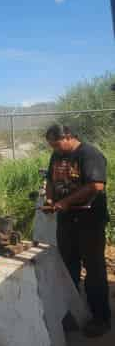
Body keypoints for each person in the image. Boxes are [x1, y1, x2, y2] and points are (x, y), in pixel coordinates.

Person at [45, 124, 111, 337]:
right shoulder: (56, 155)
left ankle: (100, 319)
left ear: (68, 137)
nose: (54, 148)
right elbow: (49, 179)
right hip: (66, 221)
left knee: (94, 270)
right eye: (51, 145)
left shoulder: (89, 154)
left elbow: (95, 186)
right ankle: (72, 314)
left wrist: (65, 202)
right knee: (67, 268)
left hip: (89, 221)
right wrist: (49, 199)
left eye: (56, 144)